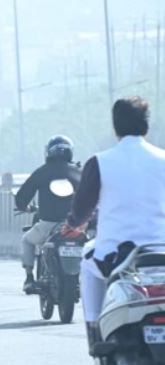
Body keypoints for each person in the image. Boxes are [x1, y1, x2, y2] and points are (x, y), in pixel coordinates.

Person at [64, 96, 165, 356]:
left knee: (87, 262)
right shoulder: (163, 159)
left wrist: (74, 224)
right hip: (161, 251)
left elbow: (82, 209)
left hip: (117, 257)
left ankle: (94, 330)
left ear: (115, 127)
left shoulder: (100, 162)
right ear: (146, 126)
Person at [15, 135, 82, 294]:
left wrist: (25, 207)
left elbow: (21, 198)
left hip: (48, 225)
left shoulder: (42, 172)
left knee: (27, 240)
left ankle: (29, 278)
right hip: (76, 226)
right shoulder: (80, 172)